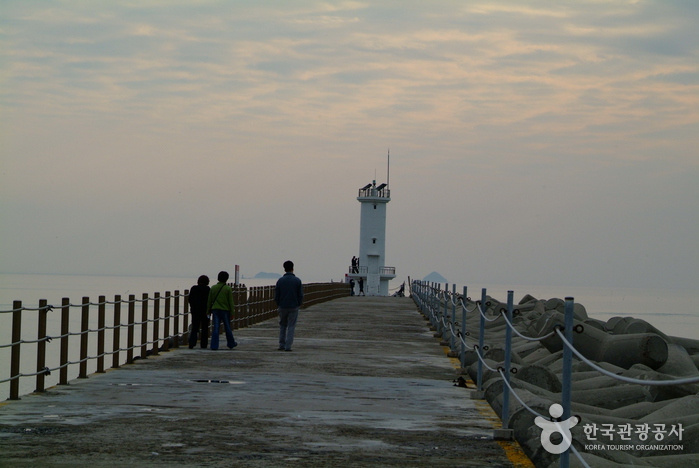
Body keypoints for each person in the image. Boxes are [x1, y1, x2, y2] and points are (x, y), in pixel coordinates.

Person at [274, 260, 303, 352]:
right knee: (291, 326)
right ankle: (288, 346)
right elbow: (300, 295)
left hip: (282, 306)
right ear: (293, 268)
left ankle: (281, 344)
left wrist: (278, 303)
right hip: (293, 306)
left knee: (282, 325)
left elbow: (276, 295)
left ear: (284, 269)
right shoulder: (297, 280)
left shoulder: (280, 280)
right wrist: (298, 303)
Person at [208, 271, 237, 350]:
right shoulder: (227, 288)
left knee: (216, 328)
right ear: (226, 279)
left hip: (215, 309)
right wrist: (232, 312)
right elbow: (231, 301)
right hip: (225, 310)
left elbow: (209, 300)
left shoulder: (213, 287)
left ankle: (214, 345)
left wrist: (208, 311)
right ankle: (231, 343)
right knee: (227, 327)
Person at [188, 275, 211, 349]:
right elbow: (210, 300)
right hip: (205, 311)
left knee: (195, 327)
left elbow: (190, 299)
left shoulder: (194, 288)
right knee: (205, 328)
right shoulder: (208, 289)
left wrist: (192, 306)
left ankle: (192, 342)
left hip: (195, 310)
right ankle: (204, 344)